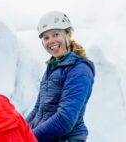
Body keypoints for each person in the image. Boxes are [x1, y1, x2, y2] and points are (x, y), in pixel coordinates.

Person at [26, 11, 95, 142]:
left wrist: (29, 138)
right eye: (46, 38)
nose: (50, 41)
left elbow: (65, 118)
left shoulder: (79, 69)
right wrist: (20, 129)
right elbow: (37, 109)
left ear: (68, 34)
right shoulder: (52, 66)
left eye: (55, 34)